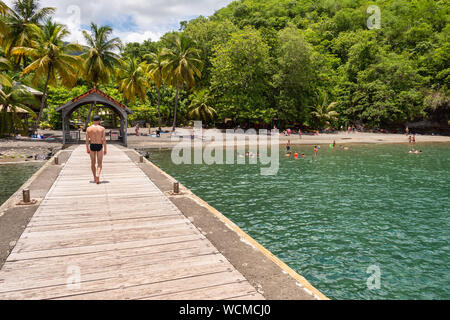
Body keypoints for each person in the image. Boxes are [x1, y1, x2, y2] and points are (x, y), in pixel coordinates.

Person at [86, 116, 107, 184]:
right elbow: (104, 139)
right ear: (99, 121)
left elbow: (86, 140)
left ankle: (95, 177)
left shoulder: (88, 129)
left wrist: (87, 148)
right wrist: (105, 149)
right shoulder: (102, 128)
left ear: (93, 121)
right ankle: (98, 174)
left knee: (93, 162)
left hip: (92, 145)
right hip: (99, 145)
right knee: (99, 163)